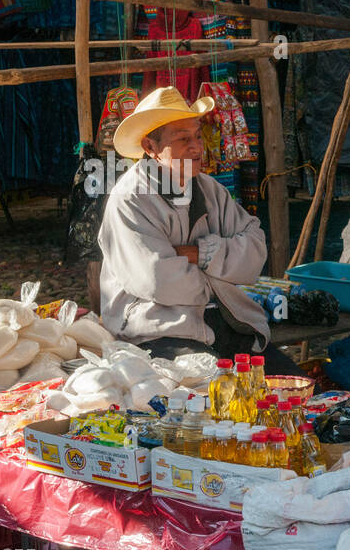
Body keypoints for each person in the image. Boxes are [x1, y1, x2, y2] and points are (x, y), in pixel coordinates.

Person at [99, 85, 302, 375]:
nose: (197, 147)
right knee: (219, 399)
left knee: (297, 387)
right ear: (150, 148)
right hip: (159, 331)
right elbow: (157, 281)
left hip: (224, 320)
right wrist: (223, 273)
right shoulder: (129, 200)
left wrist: (202, 254)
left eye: (197, 136)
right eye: (183, 139)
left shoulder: (210, 189)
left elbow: (256, 249)